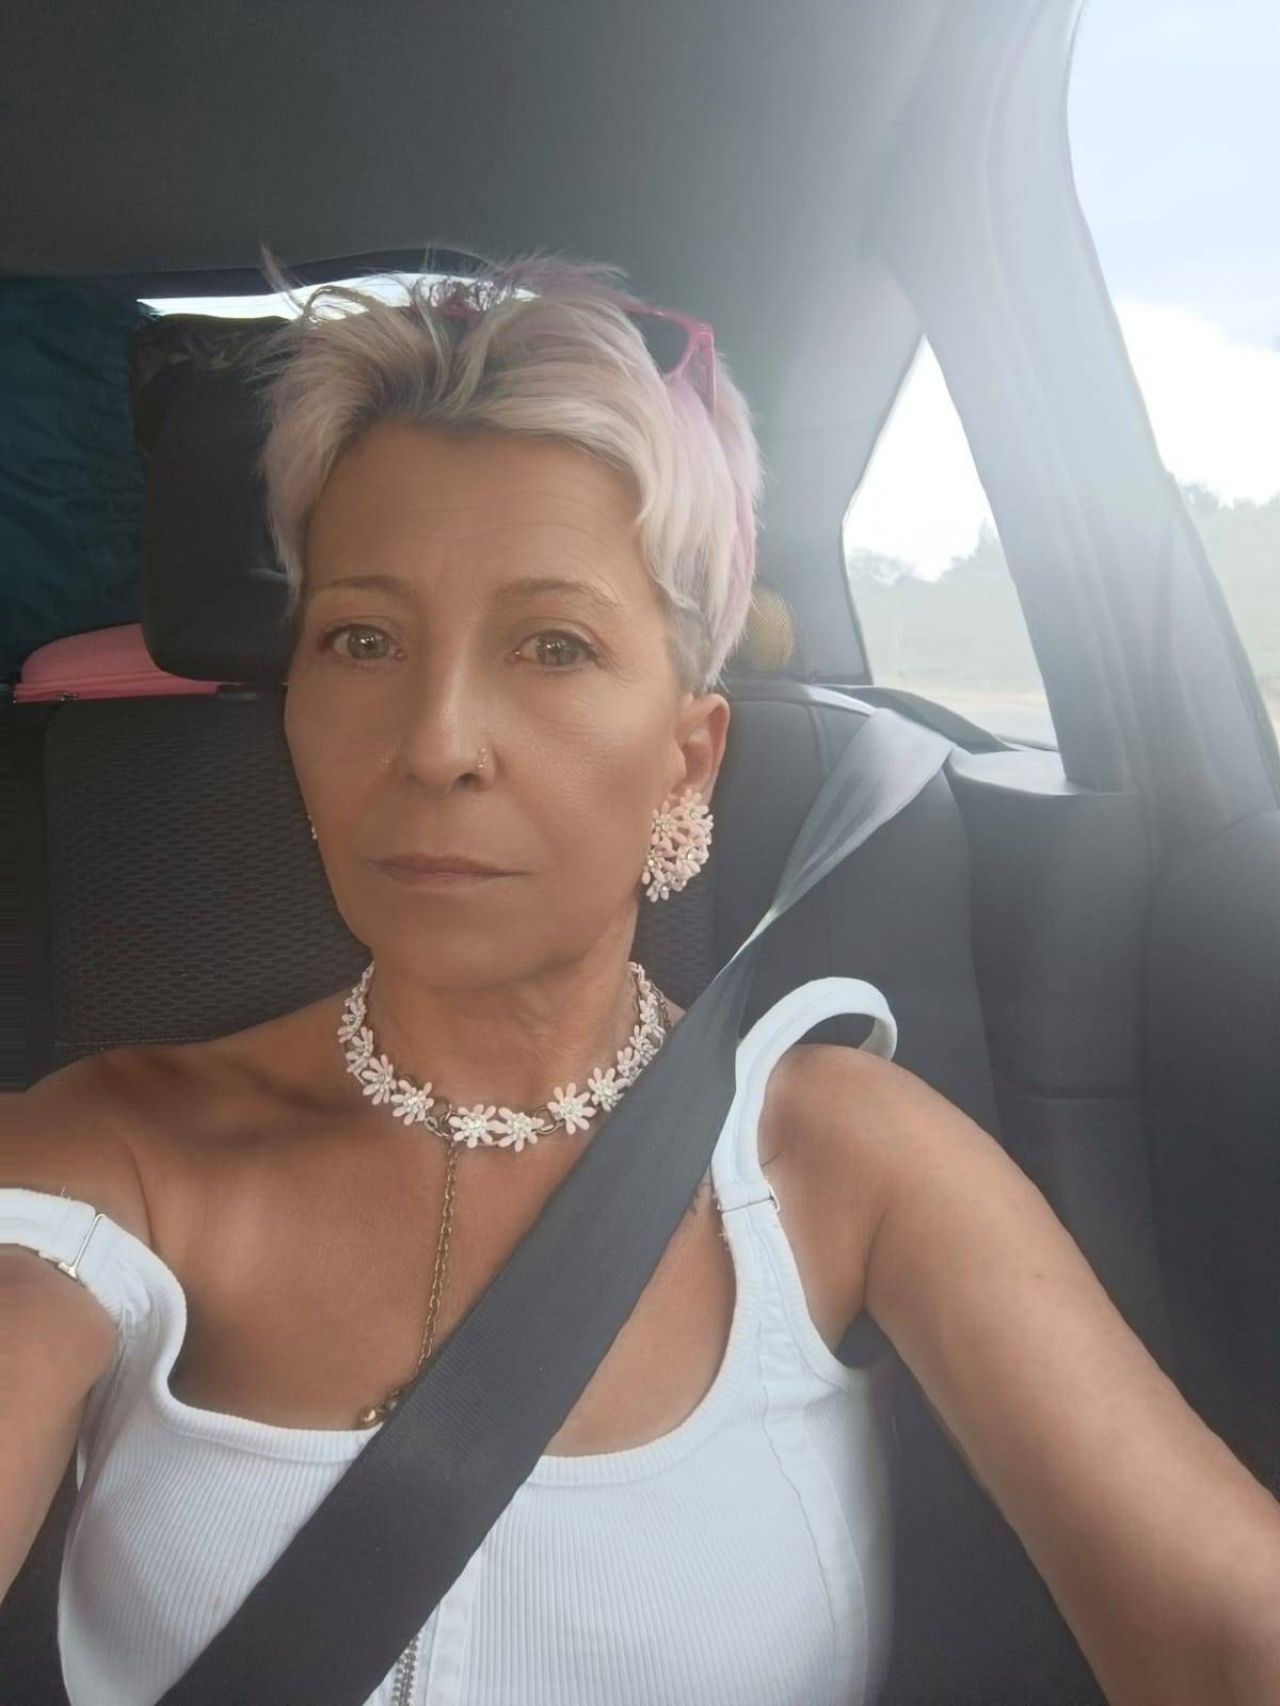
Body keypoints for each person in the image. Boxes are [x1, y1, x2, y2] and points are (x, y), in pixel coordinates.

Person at [2, 257, 1278, 1706]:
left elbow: (1224, 1634)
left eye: (553, 646)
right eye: (362, 639)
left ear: (688, 759)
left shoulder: (840, 1158)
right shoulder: (105, 1152)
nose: (436, 742)